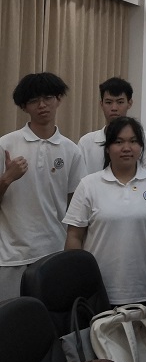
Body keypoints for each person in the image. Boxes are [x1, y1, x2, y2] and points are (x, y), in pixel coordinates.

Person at [0, 73, 86, 301]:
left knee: (50, 318)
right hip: (11, 256)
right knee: (11, 318)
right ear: (24, 107)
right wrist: (6, 178)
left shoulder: (71, 150)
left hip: (54, 252)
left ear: (58, 99)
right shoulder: (6, 145)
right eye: (33, 100)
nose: (42, 105)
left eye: (48, 98)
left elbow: (77, 207)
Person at [64, 117, 146, 306]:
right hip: (97, 292)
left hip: (143, 289)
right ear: (107, 148)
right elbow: (74, 236)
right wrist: (76, 280)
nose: (126, 148)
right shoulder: (89, 185)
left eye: (133, 141)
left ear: (141, 147)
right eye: (119, 142)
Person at [78, 77, 146, 174]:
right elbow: (79, 178)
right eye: (108, 102)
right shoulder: (86, 142)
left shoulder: (144, 139)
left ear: (129, 103)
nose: (114, 108)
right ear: (101, 104)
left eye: (120, 102)